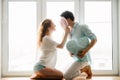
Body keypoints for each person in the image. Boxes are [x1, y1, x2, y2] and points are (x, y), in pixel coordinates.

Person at [60, 11, 97, 80]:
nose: (62, 23)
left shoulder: (82, 27)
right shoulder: (70, 31)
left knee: (66, 76)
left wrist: (85, 51)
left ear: (68, 19)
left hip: (83, 59)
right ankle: (84, 69)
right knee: (61, 74)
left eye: (63, 20)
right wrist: (70, 52)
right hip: (75, 59)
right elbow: (72, 45)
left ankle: (85, 69)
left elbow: (94, 39)